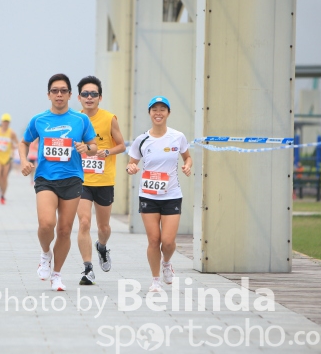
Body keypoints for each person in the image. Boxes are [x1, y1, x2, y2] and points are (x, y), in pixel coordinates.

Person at [19, 73, 98, 291]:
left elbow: (94, 147)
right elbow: (23, 142)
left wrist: (86, 148)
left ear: (70, 94)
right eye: (55, 91)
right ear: (49, 95)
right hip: (46, 178)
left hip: (72, 178)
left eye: (63, 91)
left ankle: (57, 274)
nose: (59, 94)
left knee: (64, 230)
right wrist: (24, 161)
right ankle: (45, 253)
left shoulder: (81, 120)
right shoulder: (39, 120)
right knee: (46, 224)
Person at [126, 96, 192, 293]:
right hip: (148, 195)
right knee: (154, 240)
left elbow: (187, 157)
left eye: (163, 109)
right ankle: (155, 280)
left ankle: (166, 263)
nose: (158, 113)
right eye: (154, 109)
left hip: (172, 194)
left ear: (168, 113)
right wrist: (131, 168)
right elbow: (131, 163)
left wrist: (187, 166)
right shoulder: (142, 140)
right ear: (149, 113)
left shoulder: (177, 137)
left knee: (168, 242)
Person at [75, 76, 126, 285]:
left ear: (100, 97)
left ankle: (102, 247)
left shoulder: (109, 118)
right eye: (85, 94)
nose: (89, 97)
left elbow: (122, 145)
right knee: (84, 222)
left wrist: (107, 151)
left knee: (103, 227)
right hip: (81, 180)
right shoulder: (75, 120)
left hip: (104, 180)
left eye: (93, 94)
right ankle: (87, 269)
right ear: (79, 97)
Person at [0, 114, 19, 204]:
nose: (5, 123)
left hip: (7, 158)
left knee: (4, 178)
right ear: (1, 122)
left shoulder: (11, 132)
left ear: (9, 123)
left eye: (7, 122)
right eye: (4, 121)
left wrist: (14, 147)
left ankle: (2, 196)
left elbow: (17, 143)